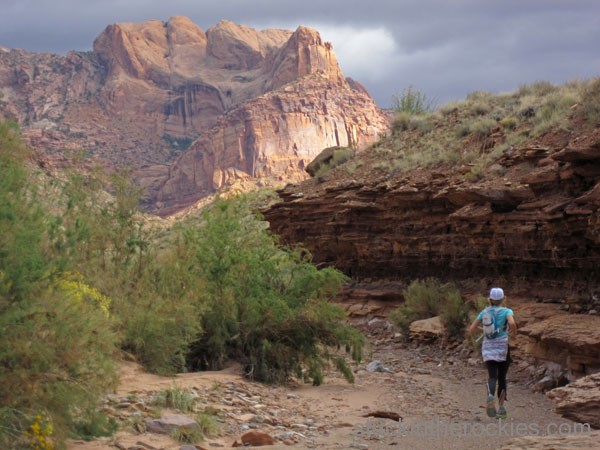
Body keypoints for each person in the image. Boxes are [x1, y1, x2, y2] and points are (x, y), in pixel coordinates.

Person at [467, 287, 517, 419]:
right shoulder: (507, 311)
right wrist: (514, 334)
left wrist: (483, 331)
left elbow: (471, 329)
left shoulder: (484, 312)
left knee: (492, 376)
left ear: (490, 299)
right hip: (502, 347)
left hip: (488, 347)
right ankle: (501, 408)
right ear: (503, 299)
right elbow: (511, 322)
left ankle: (490, 395)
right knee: (502, 377)